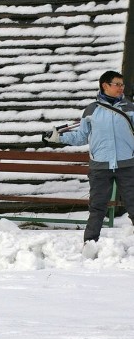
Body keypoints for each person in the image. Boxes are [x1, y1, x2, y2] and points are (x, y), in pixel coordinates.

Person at [43, 70, 134, 242]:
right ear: (105, 85)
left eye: (122, 85)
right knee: (97, 207)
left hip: (127, 165)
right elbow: (81, 137)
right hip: (100, 167)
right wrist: (58, 137)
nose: (121, 88)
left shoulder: (130, 109)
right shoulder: (91, 110)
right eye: (117, 84)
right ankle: (90, 243)